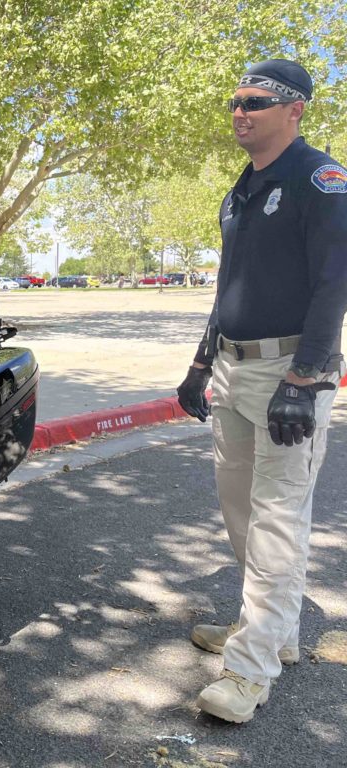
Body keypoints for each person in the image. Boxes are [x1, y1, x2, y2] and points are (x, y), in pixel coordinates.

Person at [175, 59, 347, 723]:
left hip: (289, 371)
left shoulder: (320, 179)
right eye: (235, 101)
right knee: (241, 513)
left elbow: (334, 284)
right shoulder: (240, 190)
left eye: (256, 101)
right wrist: (199, 365)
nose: (240, 111)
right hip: (234, 368)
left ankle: (249, 671)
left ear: (295, 109)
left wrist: (305, 379)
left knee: (277, 518)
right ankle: (270, 627)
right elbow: (229, 288)